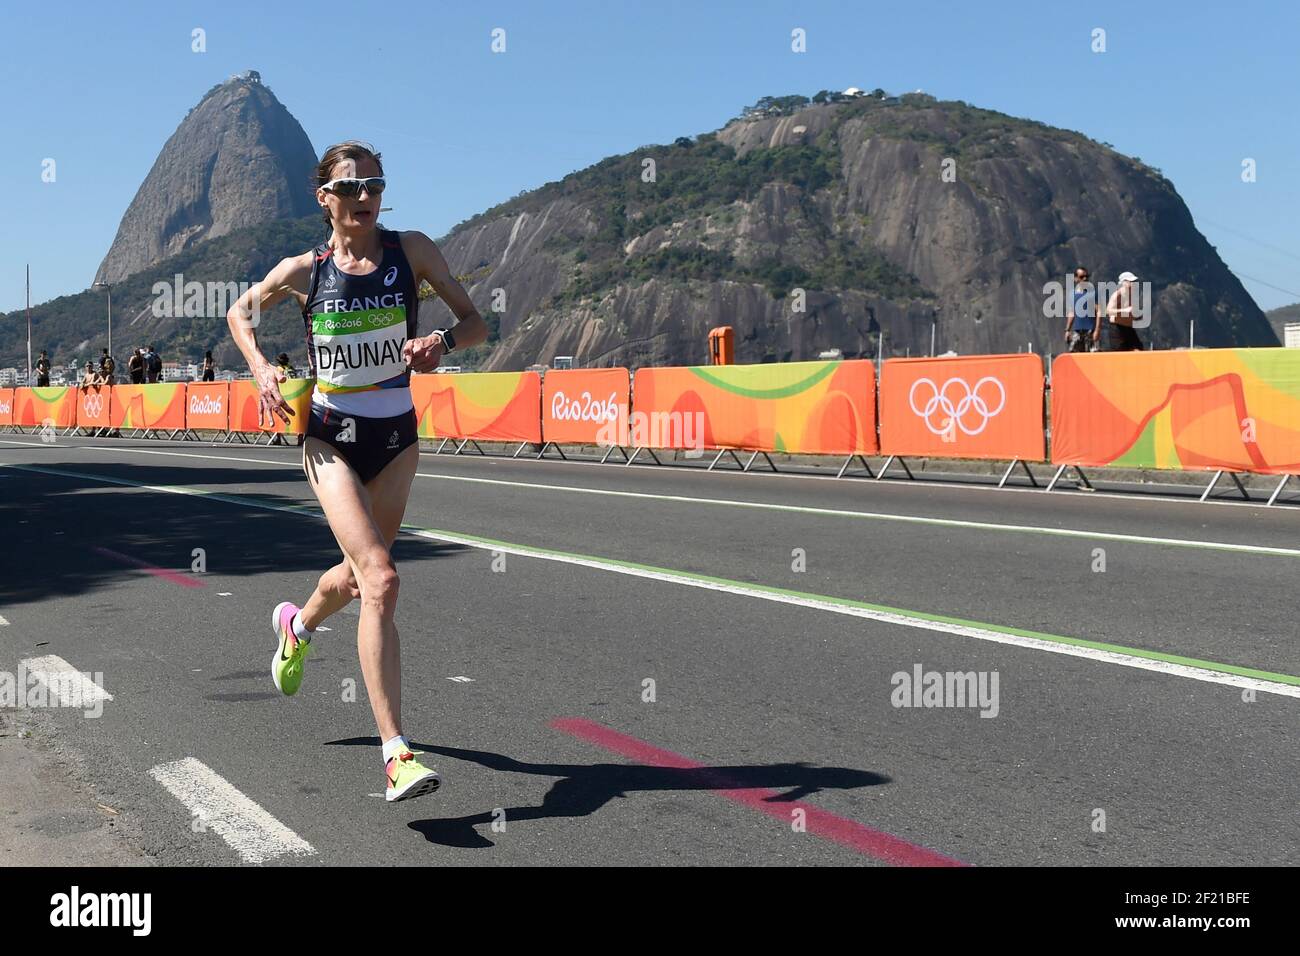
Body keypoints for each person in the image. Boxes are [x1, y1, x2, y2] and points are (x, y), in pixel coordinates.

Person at [225, 140, 487, 802]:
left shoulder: (414, 252)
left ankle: (298, 626)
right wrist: (261, 368)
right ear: (326, 201)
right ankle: (396, 752)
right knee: (382, 577)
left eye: (374, 184)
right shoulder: (304, 271)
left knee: (358, 574)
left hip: (397, 439)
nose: (365, 196)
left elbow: (476, 322)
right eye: (350, 187)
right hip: (329, 441)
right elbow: (239, 312)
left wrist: (441, 342)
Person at [1104, 271, 1145, 351]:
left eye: (1134, 281)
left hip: (1129, 329)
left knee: (1138, 350)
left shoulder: (1133, 295)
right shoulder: (1117, 295)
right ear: (1124, 282)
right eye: (1131, 281)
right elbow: (1108, 311)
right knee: (1120, 354)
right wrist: (1124, 310)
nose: (1134, 283)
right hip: (1117, 329)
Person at [1063, 267, 1098, 353]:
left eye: (1087, 276)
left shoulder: (1093, 293)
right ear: (1076, 278)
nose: (1085, 279)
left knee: (1092, 357)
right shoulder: (1072, 294)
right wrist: (1067, 330)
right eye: (1082, 276)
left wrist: (1097, 330)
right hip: (1077, 331)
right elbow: (1071, 313)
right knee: (1074, 354)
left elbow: (1099, 312)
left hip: (1090, 331)